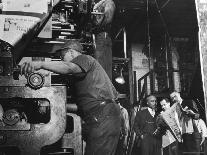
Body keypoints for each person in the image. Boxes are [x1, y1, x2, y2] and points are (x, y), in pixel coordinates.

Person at [20, 40, 121, 155]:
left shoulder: (84, 59)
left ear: (72, 52)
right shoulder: (81, 80)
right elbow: (80, 107)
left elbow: (68, 67)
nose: (61, 59)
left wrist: (41, 64)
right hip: (99, 116)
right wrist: (54, 105)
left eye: (62, 56)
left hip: (103, 115)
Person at [92, 0, 116, 80]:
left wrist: (96, 21)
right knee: (104, 65)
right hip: (103, 36)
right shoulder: (102, 3)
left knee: (101, 65)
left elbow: (107, 19)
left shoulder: (108, 3)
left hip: (102, 36)